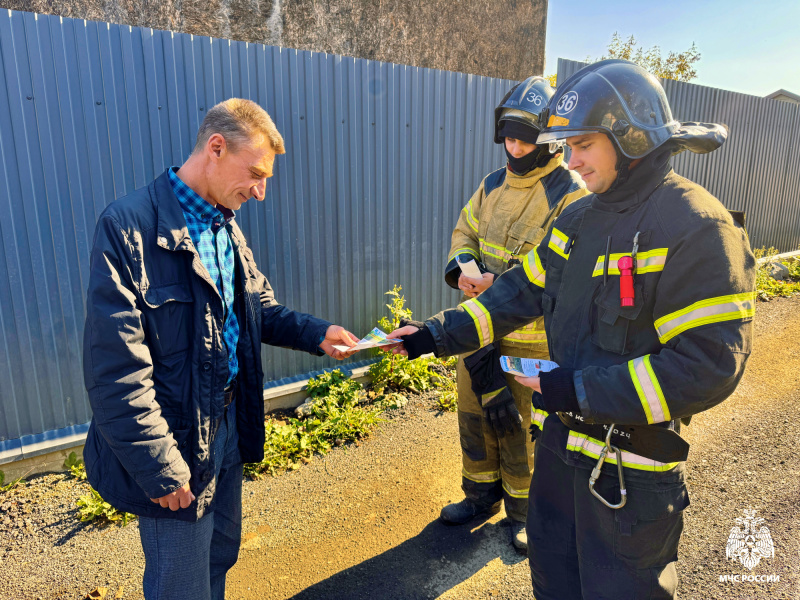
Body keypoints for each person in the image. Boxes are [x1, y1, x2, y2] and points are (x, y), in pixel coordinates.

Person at [390, 60, 755, 599]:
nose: (571, 158)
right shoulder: (579, 220)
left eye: (582, 143)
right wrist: (433, 335)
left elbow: (707, 367)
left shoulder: (696, 226)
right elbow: (517, 294)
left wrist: (580, 391)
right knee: (554, 584)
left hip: (630, 472)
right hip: (560, 455)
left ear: (629, 136)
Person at [82, 98, 358, 600]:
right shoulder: (128, 229)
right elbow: (116, 371)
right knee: (179, 585)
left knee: (221, 554)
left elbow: (258, 308)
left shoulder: (224, 224)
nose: (261, 191)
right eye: (255, 173)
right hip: (176, 440)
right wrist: (160, 467)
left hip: (226, 427)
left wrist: (318, 332)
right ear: (215, 147)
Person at [441, 76, 587, 553]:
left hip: (532, 342)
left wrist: (498, 284)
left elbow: (561, 270)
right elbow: (465, 231)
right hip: (478, 334)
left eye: (526, 137)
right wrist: (462, 266)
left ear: (549, 140)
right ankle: (480, 496)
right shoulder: (491, 185)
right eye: (509, 135)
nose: (516, 146)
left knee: (522, 428)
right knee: (474, 415)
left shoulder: (571, 193)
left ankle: (526, 512)